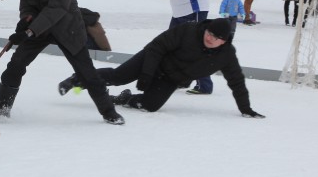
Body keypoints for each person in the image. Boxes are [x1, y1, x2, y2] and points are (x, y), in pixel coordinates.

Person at [0, 0, 124, 125]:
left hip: (68, 30)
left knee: (86, 73)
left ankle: (109, 111)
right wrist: (24, 22)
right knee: (15, 64)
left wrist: (29, 32)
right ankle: (1, 109)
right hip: (39, 30)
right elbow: (26, 7)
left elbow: (54, 10)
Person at [59, 18, 264, 118]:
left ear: (224, 41)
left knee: (150, 106)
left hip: (171, 78)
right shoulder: (189, 31)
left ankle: (125, 99)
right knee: (118, 76)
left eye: (217, 38)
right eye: (210, 33)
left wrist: (246, 109)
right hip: (152, 59)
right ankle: (76, 79)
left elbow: (237, 81)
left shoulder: (226, 56)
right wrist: (146, 73)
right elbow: (157, 47)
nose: (210, 38)